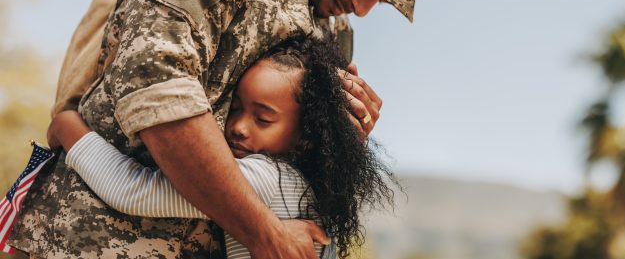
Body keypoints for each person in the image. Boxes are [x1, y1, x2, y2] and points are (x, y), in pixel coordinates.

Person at [7, 0, 448, 258]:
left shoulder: (332, 32)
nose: (365, 7)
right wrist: (264, 233)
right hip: (94, 241)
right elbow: (158, 92)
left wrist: (345, 135)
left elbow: (290, 174)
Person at [46, 38, 397, 259]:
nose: (238, 128)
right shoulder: (310, 186)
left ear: (305, 136)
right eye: (237, 108)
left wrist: (66, 124)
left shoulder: (266, 178)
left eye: (263, 119)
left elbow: (133, 190)